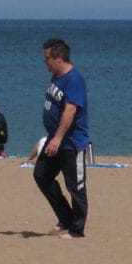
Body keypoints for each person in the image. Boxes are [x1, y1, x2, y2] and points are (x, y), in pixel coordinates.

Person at [35, 37, 89, 238]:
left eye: (47, 59)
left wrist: (58, 138)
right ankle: (65, 218)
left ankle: (77, 230)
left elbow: (71, 109)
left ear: (58, 58)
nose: (45, 62)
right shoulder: (56, 76)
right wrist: (53, 137)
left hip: (71, 142)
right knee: (41, 175)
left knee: (75, 186)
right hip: (54, 139)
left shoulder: (74, 79)